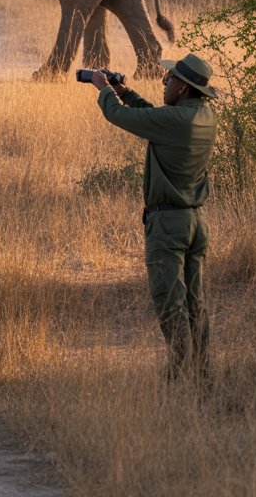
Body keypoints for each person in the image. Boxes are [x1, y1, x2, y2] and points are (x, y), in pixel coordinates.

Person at [91, 53, 218, 380]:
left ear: (183, 89)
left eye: (171, 79)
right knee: (195, 303)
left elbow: (118, 116)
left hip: (169, 225)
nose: (165, 82)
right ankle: (201, 374)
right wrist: (125, 91)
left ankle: (179, 375)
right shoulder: (204, 116)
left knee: (170, 303)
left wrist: (104, 90)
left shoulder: (176, 120)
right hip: (196, 222)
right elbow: (157, 117)